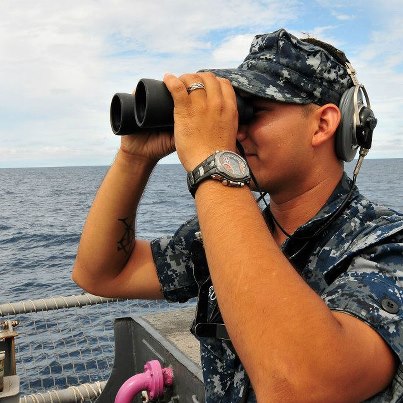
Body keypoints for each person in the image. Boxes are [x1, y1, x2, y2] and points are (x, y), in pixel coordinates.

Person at [72, 28, 403, 402]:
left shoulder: (385, 248)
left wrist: (213, 162)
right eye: (232, 112)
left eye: (251, 111)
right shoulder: (232, 230)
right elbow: (100, 273)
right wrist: (135, 157)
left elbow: (300, 387)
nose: (234, 130)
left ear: (323, 124)